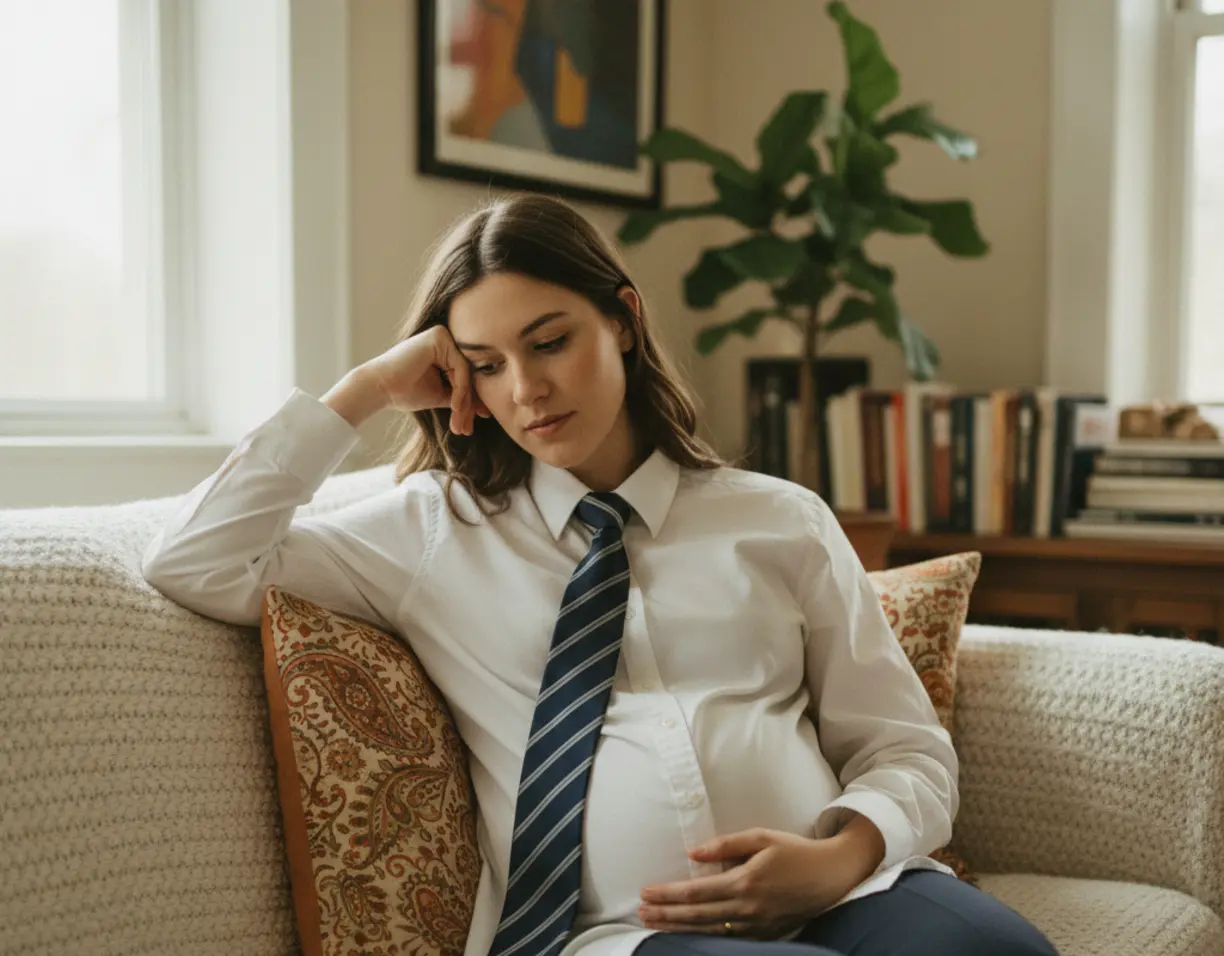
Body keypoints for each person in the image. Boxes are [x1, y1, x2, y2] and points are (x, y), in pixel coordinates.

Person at [142, 195, 1059, 956]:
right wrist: (365, 390)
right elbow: (196, 560)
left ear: (622, 319)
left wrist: (844, 852)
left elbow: (904, 746)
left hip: (852, 894)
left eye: (550, 342)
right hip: (622, 936)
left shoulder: (778, 520)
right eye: (486, 365)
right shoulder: (430, 533)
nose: (526, 391)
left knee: (1006, 955)